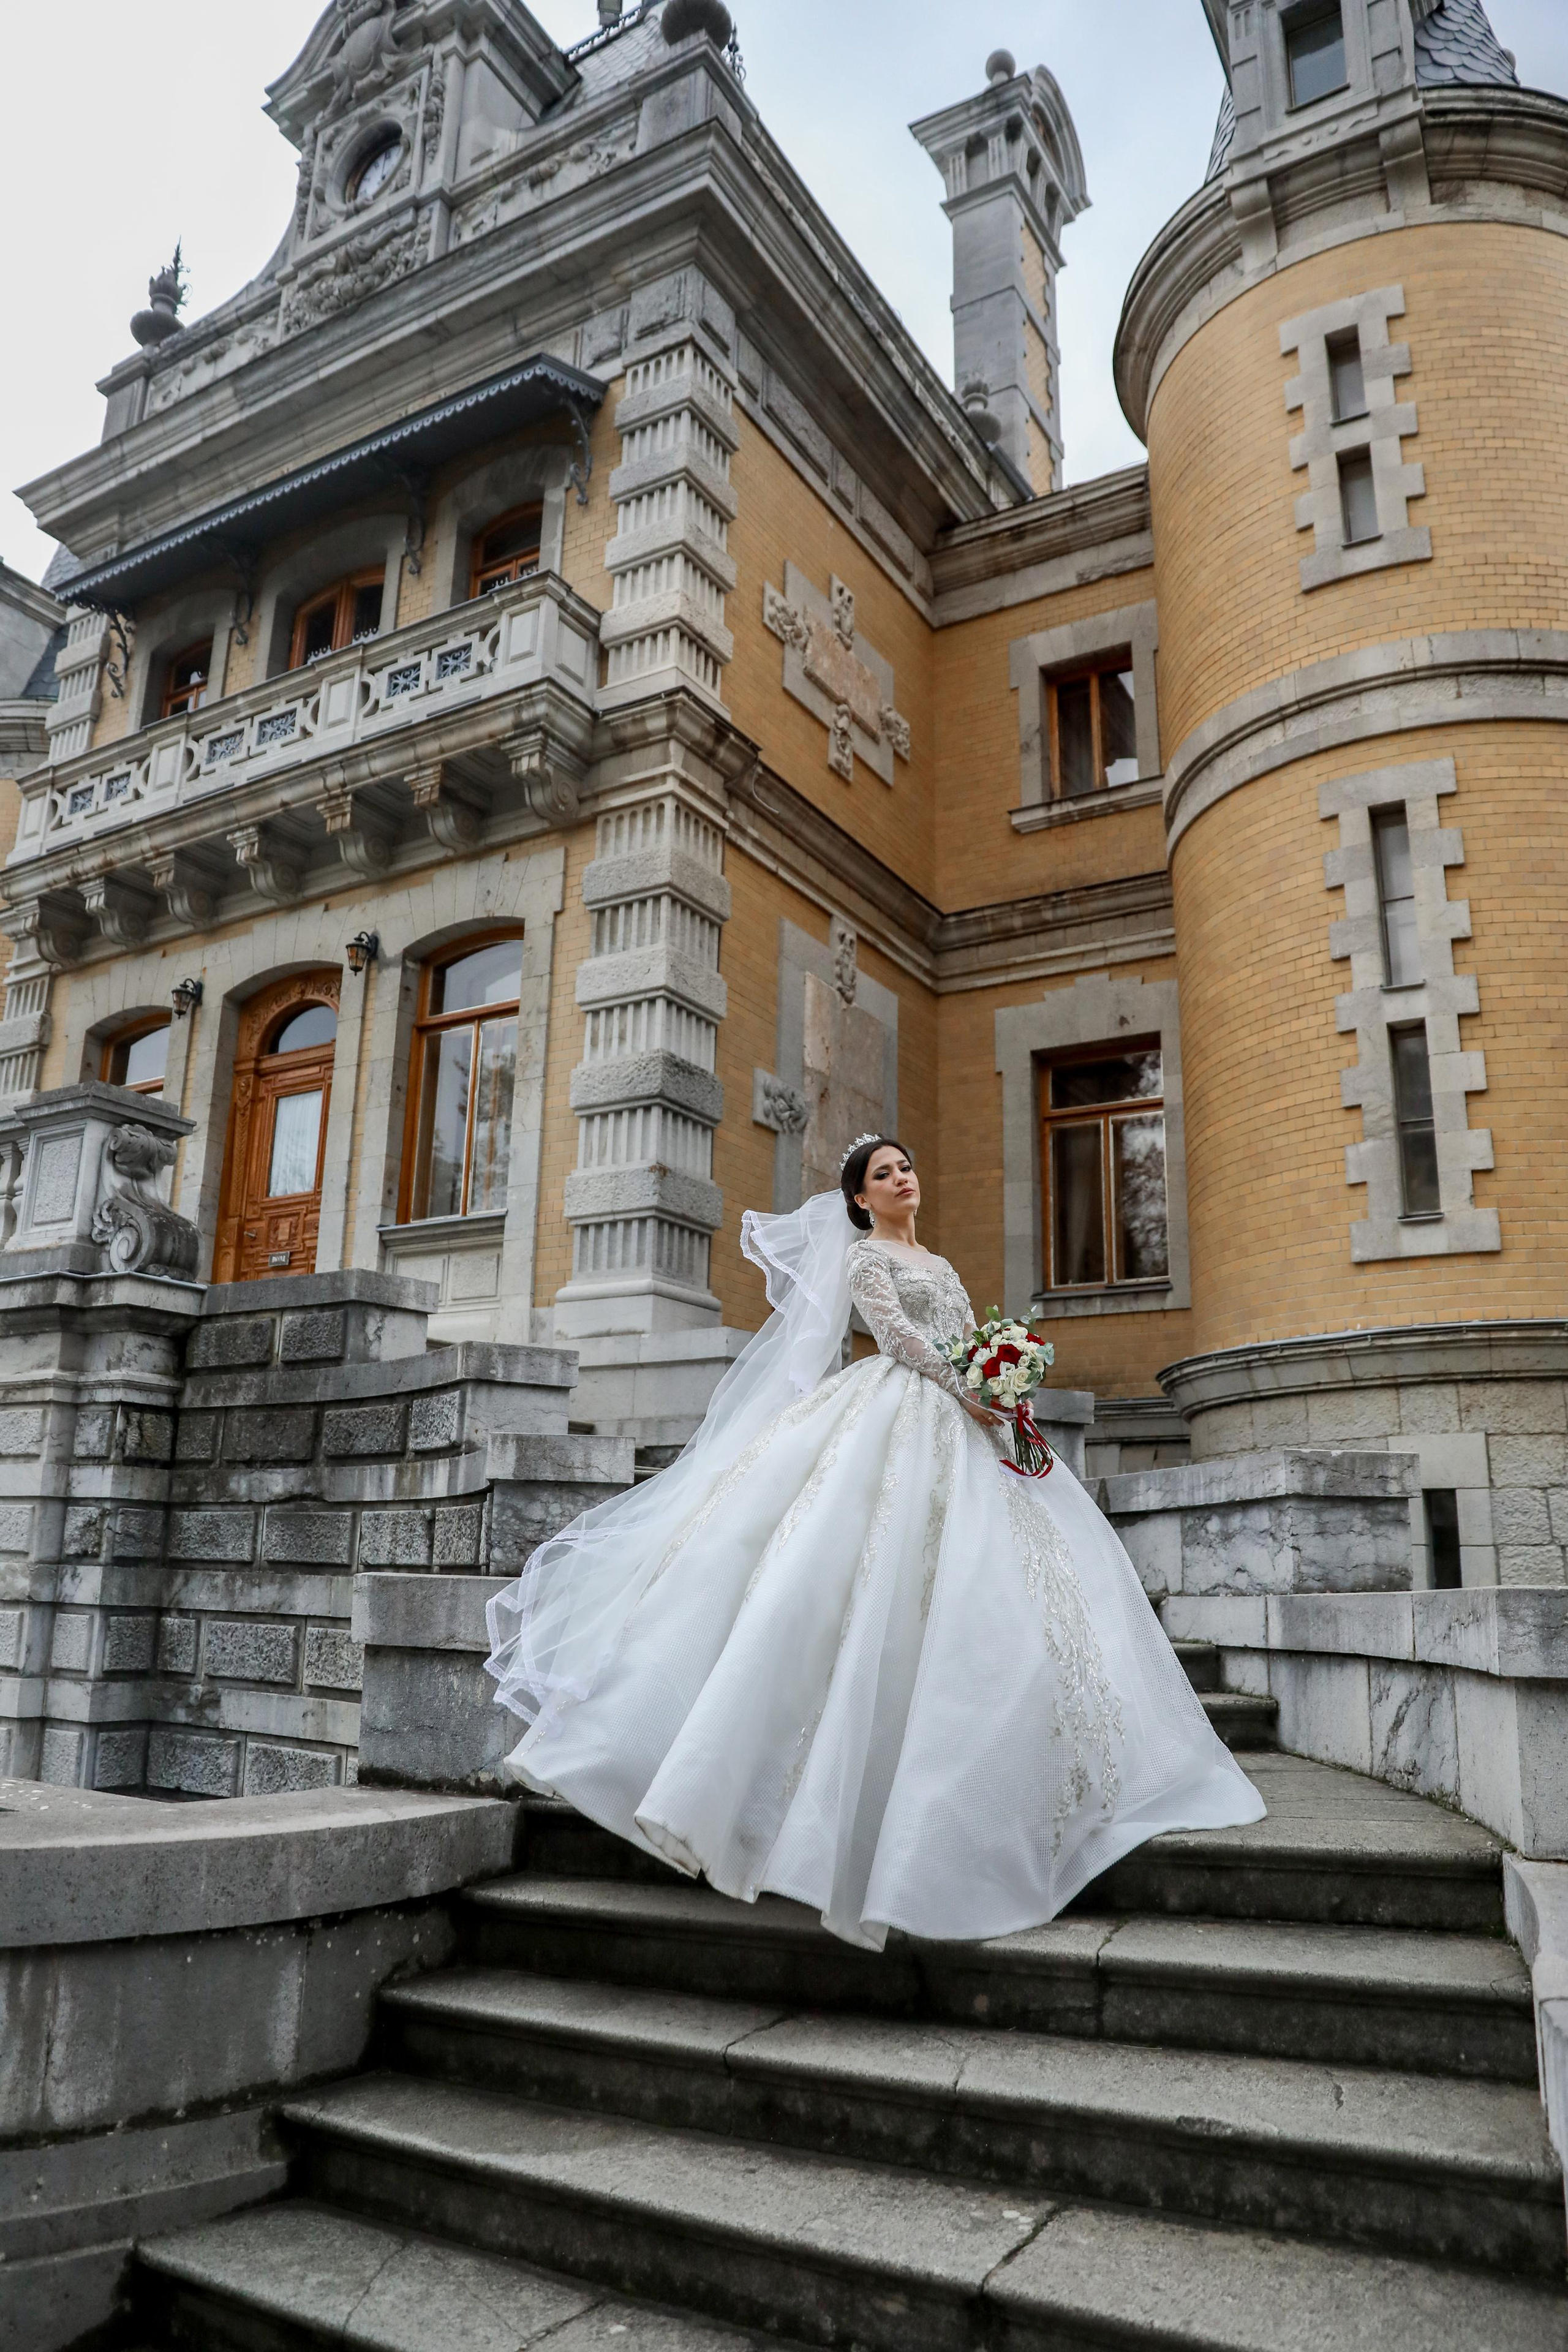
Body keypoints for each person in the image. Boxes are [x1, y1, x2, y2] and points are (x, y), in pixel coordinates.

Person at [486, 1137, 1265, 1951]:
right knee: (843, 1570)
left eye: (906, 1167)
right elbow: (898, 1340)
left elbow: (966, 1333)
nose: (902, 1178)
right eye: (883, 1174)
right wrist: (971, 1390)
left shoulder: (942, 1262)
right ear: (860, 1199)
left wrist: (1005, 1389)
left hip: (975, 1423)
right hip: (903, 1410)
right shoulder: (866, 1258)